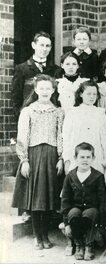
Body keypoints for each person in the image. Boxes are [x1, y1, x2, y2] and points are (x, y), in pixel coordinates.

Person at [12, 74, 64, 250]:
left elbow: (60, 135)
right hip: (34, 155)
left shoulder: (58, 111)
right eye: (41, 88)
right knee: (36, 197)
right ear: (35, 90)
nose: (44, 91)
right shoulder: (28, 111)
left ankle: (46, 235)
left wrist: (61, 158)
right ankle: (37, 235)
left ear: (53, 90)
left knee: (49, 197)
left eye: (48, 88)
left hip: (52, 156)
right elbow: (22, 137)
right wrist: (25, 160)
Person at [61, 142, 106, 261]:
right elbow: (65, 200)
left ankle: (89, 246)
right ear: (75, 158)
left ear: (93, 158)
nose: (85, 160)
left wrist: (102, 222)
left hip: (92, 210)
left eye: (88, 157)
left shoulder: (98, 176)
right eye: (82, 157)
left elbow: (102, 199)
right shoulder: (70, 176)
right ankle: (79, 245)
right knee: (73, 213)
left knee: (89, 214)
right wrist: (66, 223)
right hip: (75, 208)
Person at [62, 80, 106, 175]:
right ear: (81, 94)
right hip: (76, 155)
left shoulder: (100, 113)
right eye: (88, 94)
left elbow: (105, 138)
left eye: (94, 94)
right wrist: (67, 159)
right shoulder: (72, 112)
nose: (92, 97)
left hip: (96, 155)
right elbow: (66, 136)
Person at [11, 31, 60, 118]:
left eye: (47, 46)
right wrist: (20, 116)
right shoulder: (21, 69)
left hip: (50, 117)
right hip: (29, 117)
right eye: (41, 45)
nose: (44, 49)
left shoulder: (56, 70)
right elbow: (16, 97)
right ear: (33, 45)